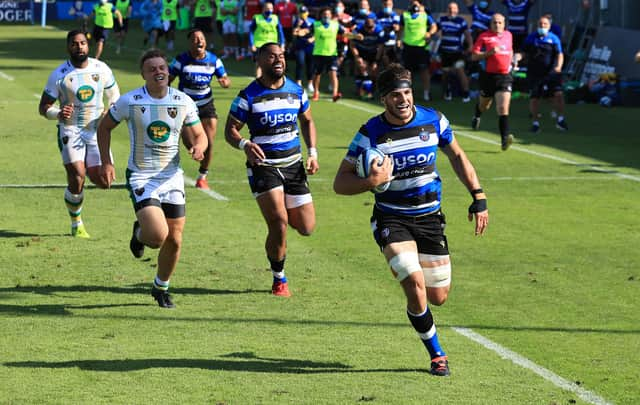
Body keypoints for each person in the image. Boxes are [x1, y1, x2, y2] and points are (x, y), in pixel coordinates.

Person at [333, 63, 489, 377]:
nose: (402, 99)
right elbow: (340, 183)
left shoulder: (434, 121)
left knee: (438, 296)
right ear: (383, 99)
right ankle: (437, 354)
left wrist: (478, 195)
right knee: (413, 282)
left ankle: (422, 318)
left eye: (406, 92)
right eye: (394, 95)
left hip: (430, 217)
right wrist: (370, 182)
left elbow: (457, 156)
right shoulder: (371, 133)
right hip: (392, 218)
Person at [97, 49, 208, 308]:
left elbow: (200, 135)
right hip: (141, 175)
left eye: (162, 68)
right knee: (157, 236)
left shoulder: (183, 101)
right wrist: (106, 162)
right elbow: (104, 128)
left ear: (168, 72)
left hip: (172, 176)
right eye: (152, 69)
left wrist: (199, 147)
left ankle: (161, 286)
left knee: (175, 238)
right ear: (144, 75)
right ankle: (139, 234)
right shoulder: (130, 101)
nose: (158, 71)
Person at [224, 42, 319, 297]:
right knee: (279, 223)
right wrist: (245, 144)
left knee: (307, 227)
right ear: (260, 61)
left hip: (294, 166)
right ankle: (279, 278)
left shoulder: (296, 91)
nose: (278, 60)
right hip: (263, 167)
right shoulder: (248, 96)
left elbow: (307, 121)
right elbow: (230, 131)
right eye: (272, 56)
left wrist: (312, 153)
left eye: (281, 56)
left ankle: (280, 221)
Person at [38, 30, 121, 238]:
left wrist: (109, 111)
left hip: (95, 131)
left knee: (104, 181)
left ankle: (86, 178)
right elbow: (43, 107)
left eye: (83, 43)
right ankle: (77, 223)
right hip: (70, 129)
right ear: (68, 47)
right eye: (75, 44)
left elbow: (115, 97)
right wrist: (58, 112)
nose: (79, 47)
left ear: (88, 45)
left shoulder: (101, 69)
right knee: (77, 176)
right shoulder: (59, 75)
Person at [169, 28, 232, 189]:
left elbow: (224, 78)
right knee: (190, 144)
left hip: (206, 105)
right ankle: (193, 152)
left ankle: (202, 176)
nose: (199, 41)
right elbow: (168, 79)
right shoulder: (181, 59)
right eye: (195, 39)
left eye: (202, 38)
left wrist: (225, 82)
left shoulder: (214, 60)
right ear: (190, 43)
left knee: (209, 142)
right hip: (184, 105)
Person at [470, 13, 514, 151]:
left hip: (504, 77)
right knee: (484, 105)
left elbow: (510, 50)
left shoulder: (508, 35)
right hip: (488, 77)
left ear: (504, 23)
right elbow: (474, 56)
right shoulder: (484, 36)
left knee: (503, 108)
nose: (497, 25)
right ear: (490, 24)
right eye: (495, 22)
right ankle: (477, 115)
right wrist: (488, 54)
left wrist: (513, 59)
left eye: (500, 22)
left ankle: (504, 139)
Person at [523, 16, 568, 133]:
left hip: (551, 73)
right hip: (535, 74)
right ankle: (535, 123)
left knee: (558, 94)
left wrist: (558, 66)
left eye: (545, 24)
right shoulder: (531, 38)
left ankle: (561, 119)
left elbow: (560, 54)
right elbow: (524, 53)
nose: (542, 26)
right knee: (535, 98)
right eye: (540, 24)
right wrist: (517, 58)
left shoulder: (554, 39)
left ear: (549, 26)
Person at [399, 0, 437, 101]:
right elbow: (401, 29)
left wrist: (429, 33)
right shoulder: (405, 15)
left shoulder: (425, 16)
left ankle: (426, 93)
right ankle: (407, 93)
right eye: (412, 3)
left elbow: (434, 26)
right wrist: (398, 40)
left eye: (416, 3)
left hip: (421, 47)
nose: (414, 5)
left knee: (424, 70)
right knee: (407, 72)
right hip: (408, 47)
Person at [438, 1, 472, 102]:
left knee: (460, 70)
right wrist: (429, 34)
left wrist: (470, 45)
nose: (451, 11)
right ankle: (447, 92)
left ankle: (466, 93)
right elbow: (435, 28)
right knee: (445, 73)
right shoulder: (442, 20)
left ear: (457, 10)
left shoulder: (461, 21)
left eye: (454, 9)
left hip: (457, 52)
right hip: (445, 52)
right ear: (447, 10)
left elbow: (467, 34)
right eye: (450, 8)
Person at [311, 7, 346, 102]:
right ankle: (316, 93)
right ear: (321, 15)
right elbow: (308, 32)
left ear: (331, 15)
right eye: (324, 14)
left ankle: (335, 94)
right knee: (317, 75)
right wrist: (302, 33)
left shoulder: (336, 25)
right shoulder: (315, 24)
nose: (326, 16)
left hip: (332, 54)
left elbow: (345, 34)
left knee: (333, 73)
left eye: (328, 14)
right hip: (319, 53)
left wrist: (355, 36)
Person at [350, 17, 384, 100]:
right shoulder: (358, 29)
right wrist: (357, 57)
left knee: (374, 72)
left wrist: (376, 61)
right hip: (361, 52)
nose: (369, 30)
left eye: (371, 28)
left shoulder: (379, 30)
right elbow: (352, 44)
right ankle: (363, 91)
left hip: (373, 53)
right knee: (362, 68)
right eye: (367, 28)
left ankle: (371, 90)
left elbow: (381, 46)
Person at [249, 2, 286, 76]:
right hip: (260, 44)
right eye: (268, 8)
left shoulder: (275, 18)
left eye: (271, 8)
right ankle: (258, 81)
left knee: (273, 63)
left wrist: (282, 44)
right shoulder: (257, 18)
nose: (270, 10)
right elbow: (251, 32)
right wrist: (252, 44)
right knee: (260, 64)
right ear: (263, 9)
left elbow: (280, 32)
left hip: (272, 45)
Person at [292, 5, 316, 93]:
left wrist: (312, 39)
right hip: (300, 46)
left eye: (304, 12)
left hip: (310, 46)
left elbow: (317, 32)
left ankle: (310, 83)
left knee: (311, 65)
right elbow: (294, 33)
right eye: (301, 13)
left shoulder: (312, 21)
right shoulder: (297, 21)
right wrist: (298, 26)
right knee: (300, 63)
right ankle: (298, 82)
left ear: (308, 12)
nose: (303, 14)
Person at [376, 0, 400, 69]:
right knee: (378, 63)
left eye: (389, 5)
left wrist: (395, 27)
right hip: (379, 43)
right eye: (385, 5)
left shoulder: (395, 16)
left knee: (390, 64)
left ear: (392, 5)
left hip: (391, 43)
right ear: (383, 5)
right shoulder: (378, 15)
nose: (387, 6)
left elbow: (397, 28)